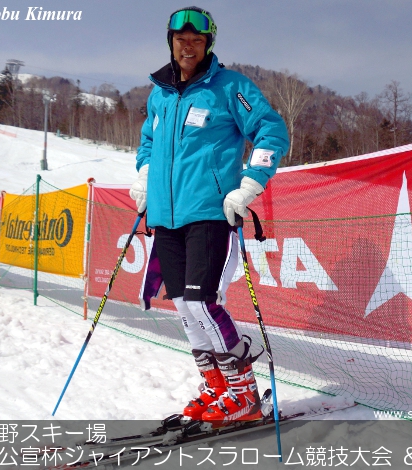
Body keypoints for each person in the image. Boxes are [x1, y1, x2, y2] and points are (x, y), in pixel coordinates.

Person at [131, 6, 289, 428]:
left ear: (207, 45)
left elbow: (271, 129)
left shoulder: (229, 87)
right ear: (171, 42)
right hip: (165, 216)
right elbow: (148, 141)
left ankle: (245, 394)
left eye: (197, 40)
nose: (188, 46)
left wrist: (251, 184)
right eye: (181, 39)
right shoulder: (159, 92)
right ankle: (218, 385)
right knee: (184, 306)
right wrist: (146, 176)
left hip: (208, 213)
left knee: (203, 302)